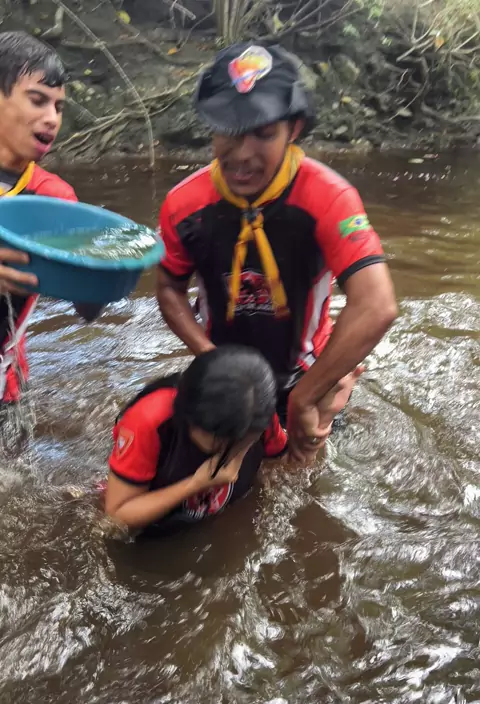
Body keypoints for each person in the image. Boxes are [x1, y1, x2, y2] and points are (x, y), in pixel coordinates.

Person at [156, 43, 398, 465]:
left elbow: (377, 305)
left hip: (306, 376)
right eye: (229, 131)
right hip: (226, 378)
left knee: (299, 482)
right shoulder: (184, 205)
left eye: (264, 133)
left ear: (294, 129)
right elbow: (169, 288)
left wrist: (309, 394)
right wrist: (209, 357)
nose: (242, 153)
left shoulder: (328, 198)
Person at [105, 345, 359, 534]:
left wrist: (321, 421)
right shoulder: (149, 421)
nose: (236, 452)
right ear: (189, 418)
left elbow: (289, 473)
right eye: (222, 442)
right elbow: (115, 516)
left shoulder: (257, 412)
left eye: (246, 441)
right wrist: (195, 484)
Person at [0, 31, 99, 407]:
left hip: (5, 386)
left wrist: (99, 270)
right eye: (38, 100)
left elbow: (87, 310)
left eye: (58, 107)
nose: (52, 119)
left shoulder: (54, 199)